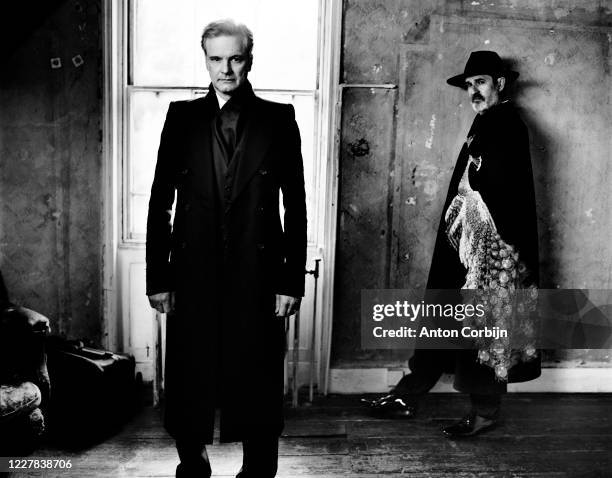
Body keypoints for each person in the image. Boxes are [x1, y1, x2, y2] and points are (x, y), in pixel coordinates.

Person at [146, 20, 307, 478]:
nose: (225, 69)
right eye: (215, 59)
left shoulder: (280, 118)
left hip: (257, 271)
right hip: (192, 271)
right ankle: (192, 463)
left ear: (249, 59)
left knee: (256, 373)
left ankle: (259, 469)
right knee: (190, 373)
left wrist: (289, 281)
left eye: (234, 58)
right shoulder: (181, 117)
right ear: (205, 60)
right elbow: (160, 202)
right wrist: (158, 277)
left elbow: (295, 206)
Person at [365, 51, 540, 437]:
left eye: (481, 82)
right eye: (469, 84)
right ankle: (409, 394)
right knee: (442, 318)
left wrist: (485, 250)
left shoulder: (507, 123)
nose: (473, 91)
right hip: (463, 242)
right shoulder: (486, 122)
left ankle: (485, 411)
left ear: (501, 83)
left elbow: (504, 194)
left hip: (489, 246)